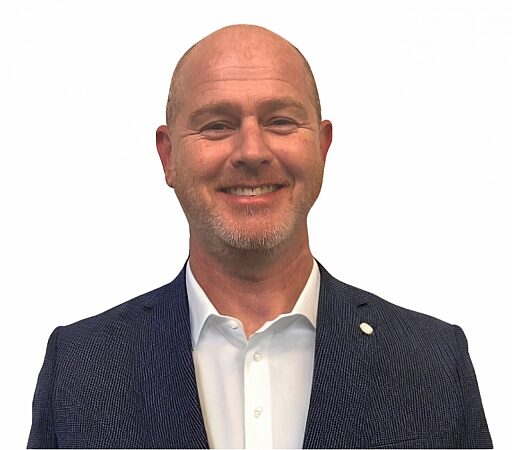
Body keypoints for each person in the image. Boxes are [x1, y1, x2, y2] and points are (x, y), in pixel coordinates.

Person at [28, 24, 492, 449]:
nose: (252, 151)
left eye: (280, 122)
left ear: (322, 147)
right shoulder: (80, 371)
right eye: (217, 125)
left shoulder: (433, 364)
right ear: (168, 157)